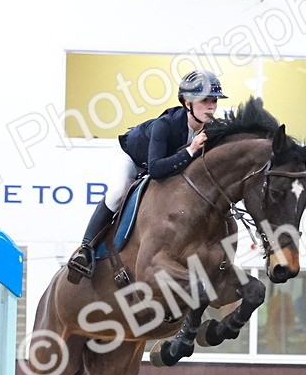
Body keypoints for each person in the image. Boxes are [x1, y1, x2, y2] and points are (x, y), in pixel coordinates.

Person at [67, 70, 227, 280]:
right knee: (117, 192)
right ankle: (86, 248)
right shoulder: (165, 125)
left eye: (214, 101)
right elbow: (156, 169)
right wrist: (190, 150)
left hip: (163, 162)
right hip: (133, 159)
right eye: (205, 100)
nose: (211, 106)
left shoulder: (212, 129)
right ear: (187, 103)